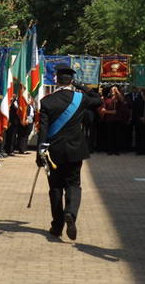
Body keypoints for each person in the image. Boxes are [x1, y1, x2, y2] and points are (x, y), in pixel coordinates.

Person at [36, 64, 102, 240]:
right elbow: (98, 99)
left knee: (55, 188)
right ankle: (71, 213)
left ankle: (57, 226)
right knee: (73, 184)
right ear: (71, 81)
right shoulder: (80, 98)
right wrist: (82, 86)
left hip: (54, 152)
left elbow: (43, 129)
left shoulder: (46, 101)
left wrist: (39, 154)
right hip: (75, 149)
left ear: (56, 80)